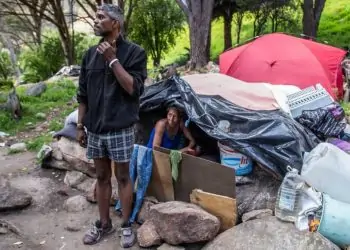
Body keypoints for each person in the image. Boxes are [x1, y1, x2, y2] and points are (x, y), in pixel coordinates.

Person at [76, 4, 147, 248]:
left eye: (101, 17)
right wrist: (79, 125)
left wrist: (113, 60)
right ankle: (104, 224)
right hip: (95, 129)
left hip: (121, 128)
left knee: (124, 177)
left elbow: (133, 89)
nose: (95, 21)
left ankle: (126, 225)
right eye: (96, 17)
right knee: (102, 176)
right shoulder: (88, 55)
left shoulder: (135, 53)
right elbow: (82, 94)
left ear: (115, 23)